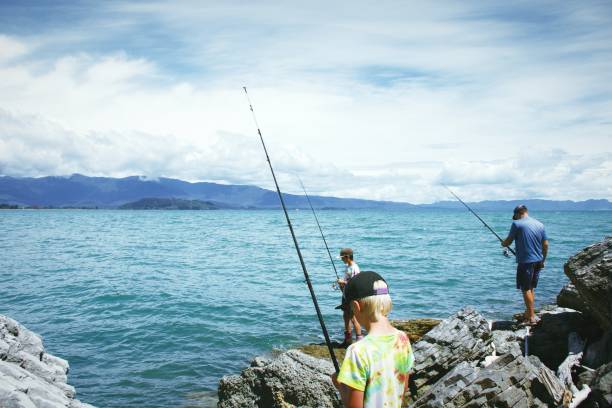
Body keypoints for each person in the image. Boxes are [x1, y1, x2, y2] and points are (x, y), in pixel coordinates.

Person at [332, 271, 414, 408]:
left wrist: (340, 386)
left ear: (357, 307)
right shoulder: (403, 339)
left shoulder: (357, 351)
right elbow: (403, 388)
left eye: (351, 308)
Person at [501, 205, 549, 325]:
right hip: (538, 260)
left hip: (525, 262)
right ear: (526, 212)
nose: (515, 219)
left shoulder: (517, 224)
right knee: (531, 287)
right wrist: (543, 260)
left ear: (518, 214)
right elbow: (546, 245)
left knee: (525, 288)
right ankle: (529, 312)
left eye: (515, 216)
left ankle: (531, 317)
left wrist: (503, 243)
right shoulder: (540, 224)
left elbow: (508, 241)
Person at [337, 248, 362, 345]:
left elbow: (355, 283)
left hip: (352, 296)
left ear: (347, 257)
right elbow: (348, 280)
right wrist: (342, 282)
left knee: (353, 318)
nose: (341, 260)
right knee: (345, 316)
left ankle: (359, 341)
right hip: (346, 295)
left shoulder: (354, 268)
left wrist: (343, 282)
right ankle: (347, 339)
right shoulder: (348, 266)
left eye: (342, 258)